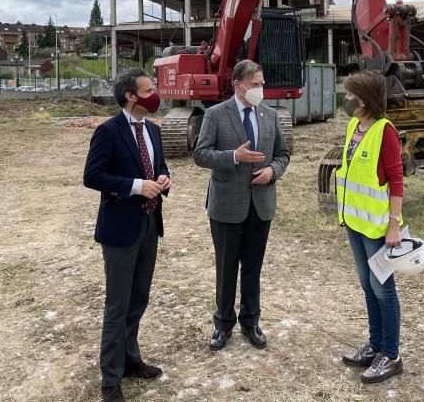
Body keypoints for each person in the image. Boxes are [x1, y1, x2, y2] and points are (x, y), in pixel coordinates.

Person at [83, 68, 171, 402]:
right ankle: (111, 378)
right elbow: (92, 176)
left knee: (139, 299)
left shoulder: (154, 130)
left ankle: (131, 360)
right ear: (130, 96)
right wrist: (135, 186)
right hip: (120, 229)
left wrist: (164, 180)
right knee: (118, 304)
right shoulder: (108, 132)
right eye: (149, 89)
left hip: (149, 225)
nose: (155, 94)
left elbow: (159, 167)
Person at [194, 59, 290, 351]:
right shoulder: (215, 114)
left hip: (261, 205)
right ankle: (223, 324)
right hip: (226, 205)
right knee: (226, 268)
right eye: (255, 84)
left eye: (262, 83)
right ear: (238, 85)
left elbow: (283, 154)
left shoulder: (270, 115)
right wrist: (233, 157)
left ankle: (251, 321)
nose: (261, 88)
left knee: (253, 267)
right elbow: (201, 154)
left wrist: (273, 171)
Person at [336, 70, 406, 384]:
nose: (346, 99)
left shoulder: (385, 131)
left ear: (363, 100)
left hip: (378, 227)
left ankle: (391, 355)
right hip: (354, 221)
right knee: (368, 286)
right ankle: (375, 344)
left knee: (383, 290)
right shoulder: (354, 125)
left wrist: (393, 225)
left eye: (350, 95)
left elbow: (396, 181)